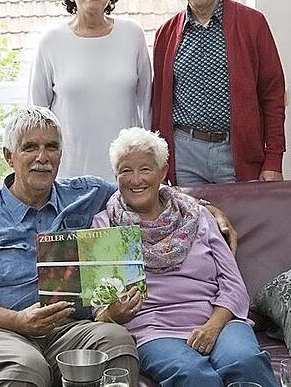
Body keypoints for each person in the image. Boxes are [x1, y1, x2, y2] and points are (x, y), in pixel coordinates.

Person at [0, 107, 236, 387]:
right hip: (1, 331)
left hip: (68, 329)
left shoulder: (88, 194)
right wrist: (19, 320)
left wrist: (206, 208)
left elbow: (145, 189)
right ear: (8, 156)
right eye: (30, 148)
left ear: (61, 154)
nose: (42, 157)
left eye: (51, 147)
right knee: (27, 367)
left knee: (117, 340)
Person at [92, 127, 277, 387]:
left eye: (145, 169)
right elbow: (100, 307)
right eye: (125, 170)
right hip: (152, 330)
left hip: (218, 320)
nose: (136, 180)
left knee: (245, 361)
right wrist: (114, 311)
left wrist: (213, 326)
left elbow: (234, 285)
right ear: (115, 175)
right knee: (193, 374)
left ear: (162, 172)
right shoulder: (104, 227)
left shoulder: (197, 216)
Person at [151, 0, 286, 186]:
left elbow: (273, 95)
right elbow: (159, 105)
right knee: (190, 224)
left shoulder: (252, 24)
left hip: (236, 153)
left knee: (239, 224)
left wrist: (273, 159)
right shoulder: (165, 34)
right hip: (184, 156)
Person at [29, 0, 152, 181]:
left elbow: (147, 107)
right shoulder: (51, 40)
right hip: (69, 172)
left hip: (125, 172)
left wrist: (149, 163)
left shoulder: (132, 34)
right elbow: (36, 113)